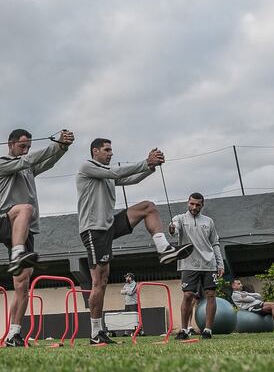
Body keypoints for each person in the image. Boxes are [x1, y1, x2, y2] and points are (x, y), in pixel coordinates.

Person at [77, 138, 193, 345]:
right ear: (95, 151)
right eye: (107, 150)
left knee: (148, 207)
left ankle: (164, 248)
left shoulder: (106, 174)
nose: (111, 153)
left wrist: (150, 166)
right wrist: (145, 160)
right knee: (99, 281)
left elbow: (131, 179)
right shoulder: (88, 167)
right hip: (93, 230)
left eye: (111, 150)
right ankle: (96, 333)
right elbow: (115, 173)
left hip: (109, 224)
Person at [0, 128, 75, 347]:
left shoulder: (27, 168)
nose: (25, 150)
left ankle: (14, 334)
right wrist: (55, 145)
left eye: (28, 147)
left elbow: (48, 162)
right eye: (22, 146)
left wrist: (63, 147)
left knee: (22, 283)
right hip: (2, 221)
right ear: (10, 144)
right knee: (26, 208)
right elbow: (29, 160)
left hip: (23, 229)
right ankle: (19, 254)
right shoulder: (2, 163)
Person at [169, 193, 224, 340]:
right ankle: (184, 330)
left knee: (211, 295)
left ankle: (207, 330)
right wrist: (172, 229)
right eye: (192, 204)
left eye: (197, 205)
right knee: (188, 295)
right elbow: (175, 229)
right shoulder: (179, 218)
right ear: (188, 203)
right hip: (188, 263)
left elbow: (215, 243)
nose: (194, 207)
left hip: (209, 263)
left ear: (202, 205)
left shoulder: (209, 221)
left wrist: (220, 263)